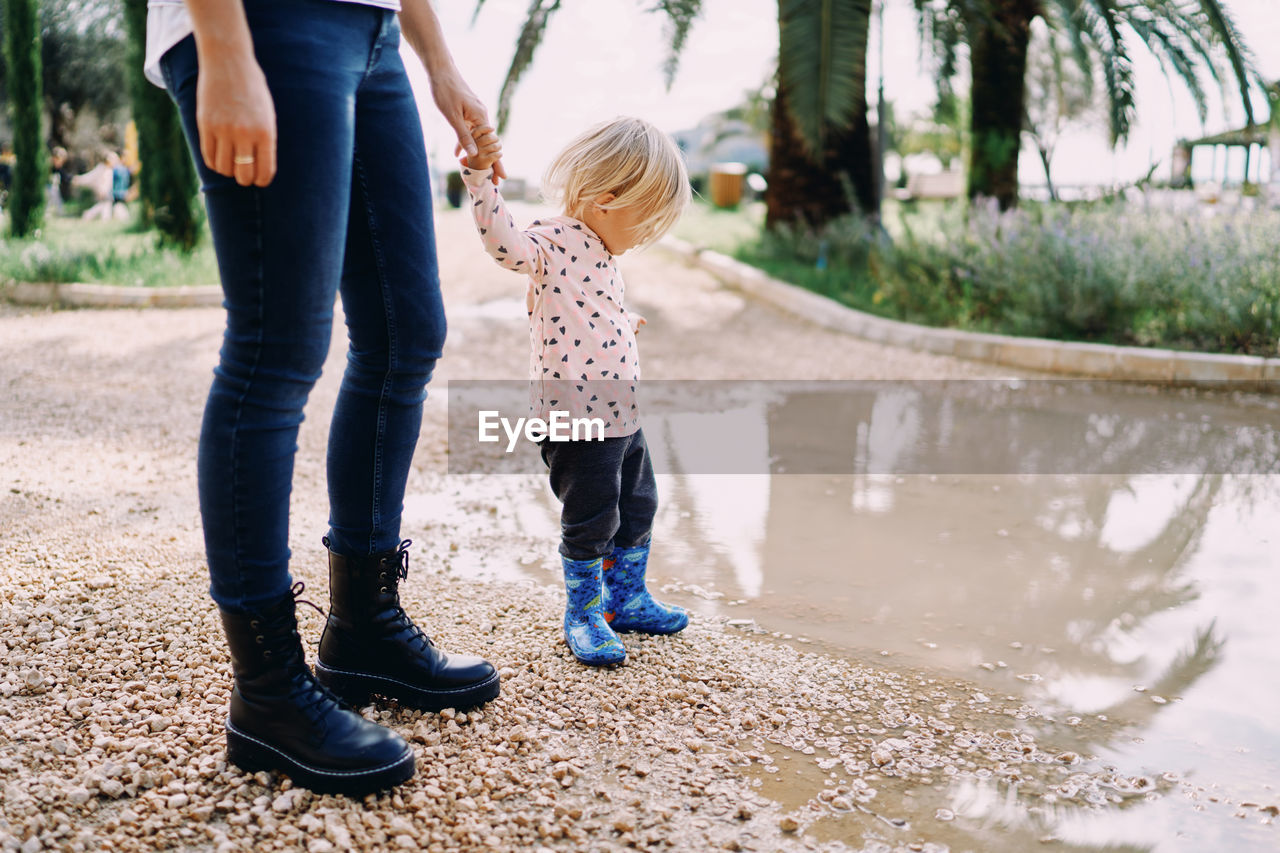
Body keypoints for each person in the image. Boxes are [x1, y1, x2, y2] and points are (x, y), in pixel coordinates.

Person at [143, 0, 503, 796]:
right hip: (266, 23)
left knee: (407, 331)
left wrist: (438, 62)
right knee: (278, 347)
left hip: (371, 33)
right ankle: (268, 690)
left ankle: (364, 625)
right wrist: (225, 46)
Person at [458, 117, 691, 666]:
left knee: (639, 503)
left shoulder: (600, 251)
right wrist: (479, 181)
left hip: (620, 413)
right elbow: (507, 248)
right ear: (605, 200)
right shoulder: (554, 240)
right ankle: (584, 612)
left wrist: (618, 322)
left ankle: (627, 597)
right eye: (646, 222)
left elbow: (586, 306)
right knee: (592, 517)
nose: (646, 237)